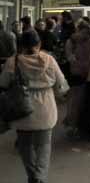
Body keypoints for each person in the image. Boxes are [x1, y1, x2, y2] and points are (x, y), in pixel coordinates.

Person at [0, 31, 69, 183]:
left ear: (21, 46)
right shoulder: (49, 60)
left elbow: (3, 83)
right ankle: (40, 177)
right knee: (44, 147)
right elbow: (62, 85)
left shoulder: (13, 62)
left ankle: (32, 176)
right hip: (46, 110)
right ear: (39, 44)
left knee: (25, 148)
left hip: (21, 109)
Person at [62, 21, 90, 138]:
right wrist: (83, 66)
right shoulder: (71, 42)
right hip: (77, 75)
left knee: (81, 102)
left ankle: (76, 125)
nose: (86, 35)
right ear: (79, 30)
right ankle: (72, 125)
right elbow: (70, 58)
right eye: (84, 32)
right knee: (75, 101)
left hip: (84, 74)